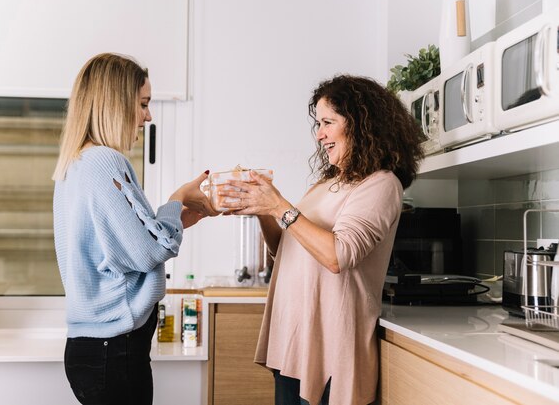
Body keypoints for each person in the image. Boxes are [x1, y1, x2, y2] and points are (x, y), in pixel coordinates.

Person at [218, 75, 423, 405]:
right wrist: (261, 209)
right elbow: (287, 250)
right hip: (293, 343)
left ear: (359, 124)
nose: (320, 134)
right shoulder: (327, 183)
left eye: (328, 122)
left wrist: (278, 205)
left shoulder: (381, 185)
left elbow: (338, 256)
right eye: (318, 124)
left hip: (330, 347)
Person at [52, 52, 216, 405]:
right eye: (142, 104)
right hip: (115, 348)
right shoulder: (106, 162)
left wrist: (178, 219)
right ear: (115, 103)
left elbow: (114, 246)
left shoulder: (75, 164)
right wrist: (175, 200)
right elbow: (148, 253)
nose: (148, 116)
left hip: (92, 349)